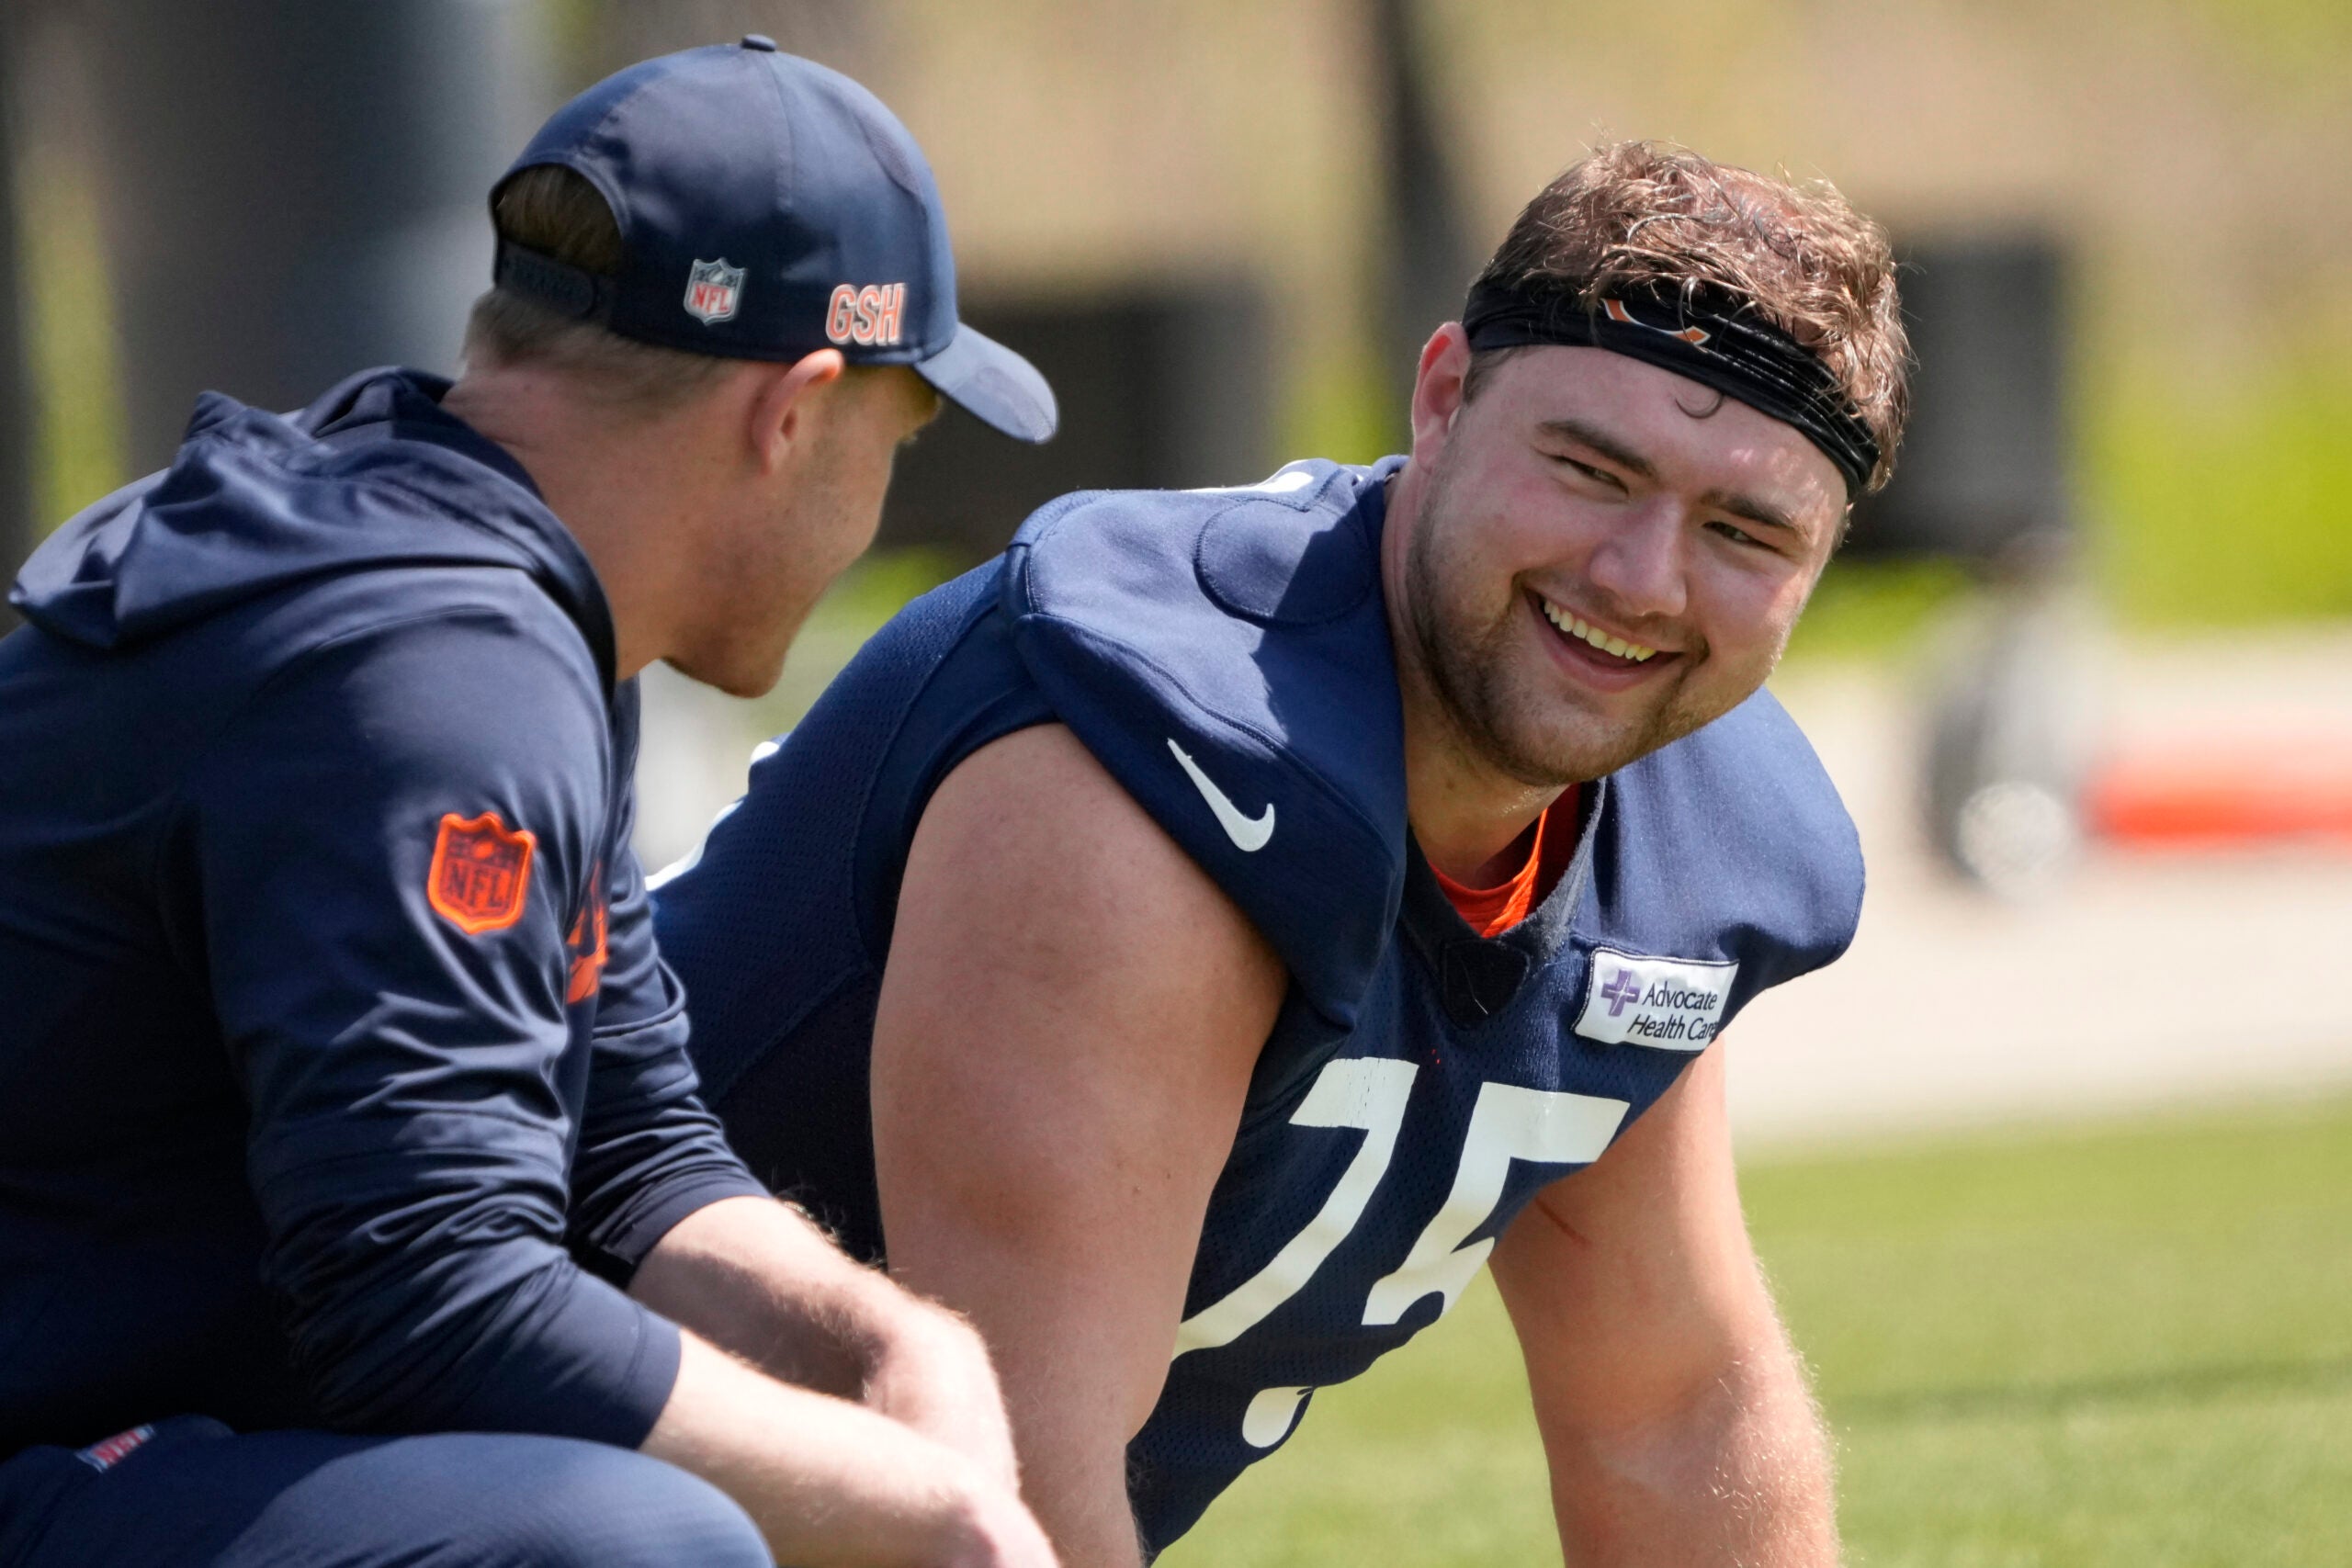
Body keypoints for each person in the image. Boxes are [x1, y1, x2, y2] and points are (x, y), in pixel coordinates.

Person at [650, 140, 1913, 1565]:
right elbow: (1002, 1497)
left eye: (1744, 531)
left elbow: (1672, 1415)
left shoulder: (1666, 820)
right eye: (1589, 468)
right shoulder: (1159, 757)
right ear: (1442, 397)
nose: (1640, 579)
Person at [0, 39, 1062, 1568]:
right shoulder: (442, 671)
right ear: (794, 412)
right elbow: (423, 1294)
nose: (876, 503)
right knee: (631, 1543)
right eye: (894, 444)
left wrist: (897, 1349)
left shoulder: (488, 583)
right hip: (57, 1454)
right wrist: (939, 1511)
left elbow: (627, 1153)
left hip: (121, 1437)